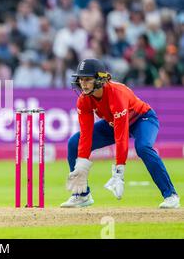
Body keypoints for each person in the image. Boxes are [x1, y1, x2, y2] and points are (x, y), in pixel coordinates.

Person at [61, 58, 180, 209]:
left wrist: (119, 171)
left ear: (99, 79)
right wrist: (81, 164)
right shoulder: (84, 100)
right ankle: (82, 195)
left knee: (143, 147)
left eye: (87, 79)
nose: (83, 84)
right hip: (112, 122)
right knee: (74, 143)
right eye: (80, 79)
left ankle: (170, 195)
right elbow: (86, 134)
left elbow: (121, 135)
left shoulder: (117, 94)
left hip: (142, 119)